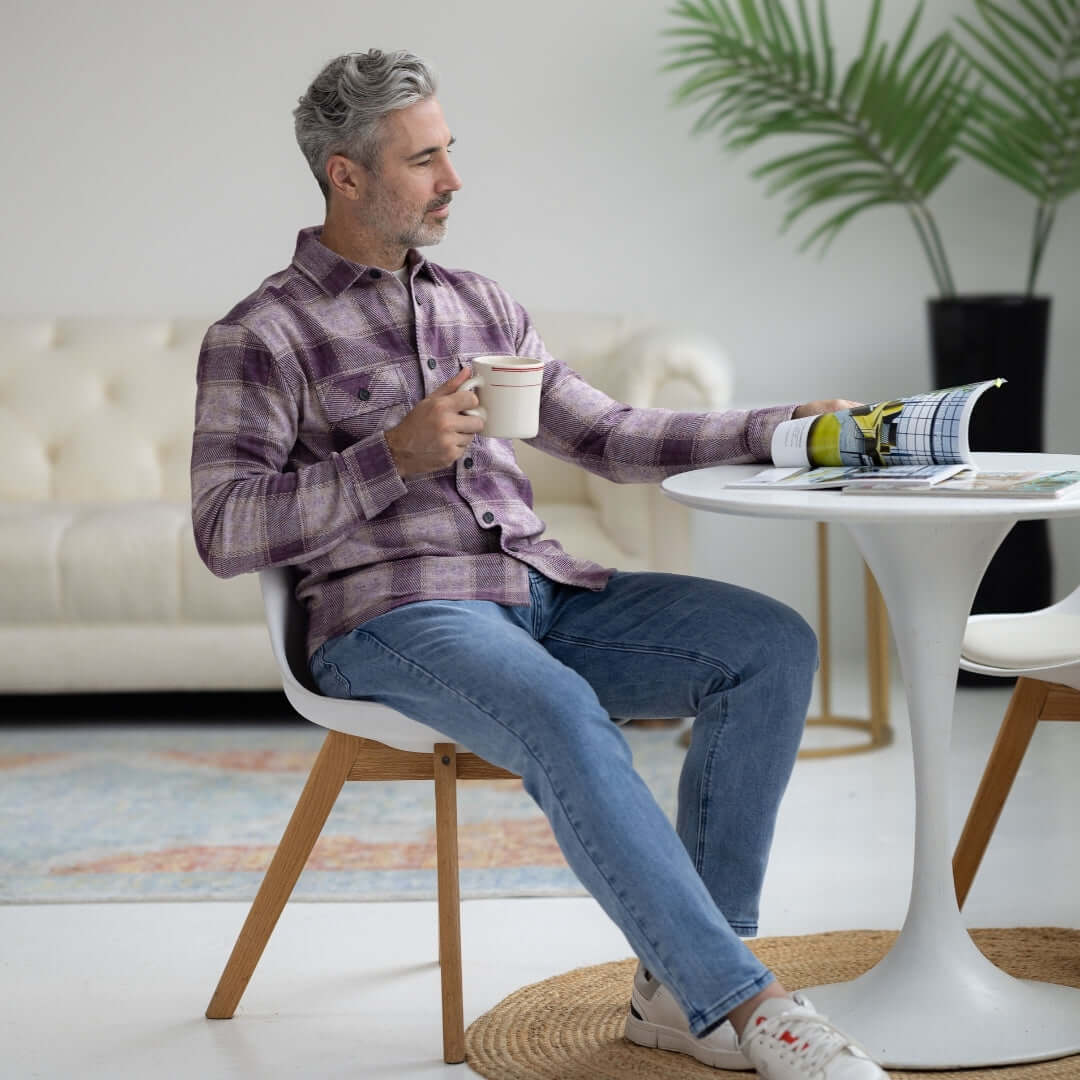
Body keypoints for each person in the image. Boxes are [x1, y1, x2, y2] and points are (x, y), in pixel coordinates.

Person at [190, 49, 886, 1080]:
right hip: (395, 616)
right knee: (563, 711)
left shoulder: (479, 303)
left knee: (767, 643)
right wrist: (390, 459)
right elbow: (224, 528)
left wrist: (779, 424)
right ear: (346, 175)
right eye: (424, 161)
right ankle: (750, 1009)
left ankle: (673, 990)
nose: (453, 181)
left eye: (450, 153)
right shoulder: (263, 335)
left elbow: (608, 436)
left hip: (537, 592)